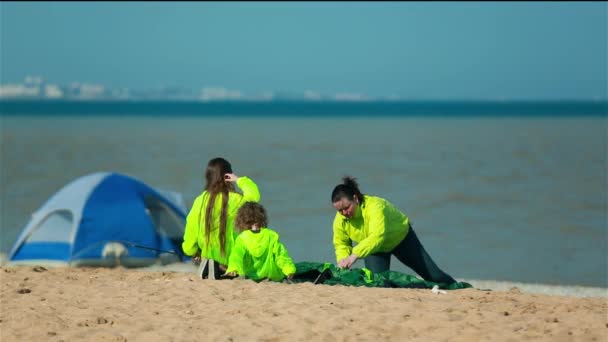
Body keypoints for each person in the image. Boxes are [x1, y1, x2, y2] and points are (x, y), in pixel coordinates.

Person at [331, 176, 457, 285]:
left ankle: (461, 290)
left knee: (434, 276)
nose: (344, 213)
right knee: (378, 284)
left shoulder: (375, 206)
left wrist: (354, 255)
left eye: (347, 208)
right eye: (340, 211)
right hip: (374, 249)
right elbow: (341, 243)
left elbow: (377, 236)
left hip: (401, 239)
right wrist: (343, 260)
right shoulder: (340, 220)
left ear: (356, 199)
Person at [182, 157, 260, 276]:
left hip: (208, 263)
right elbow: (254, 196)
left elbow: (191, 229)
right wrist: (240, 180)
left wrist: (193, 252)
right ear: (228, 177)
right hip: (233, 264)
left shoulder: (200, 200)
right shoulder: (237, 200)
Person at [225, 202, 296, 282]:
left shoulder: (242, 238)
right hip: (272, 275)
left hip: (250, 276)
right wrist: (289, 270)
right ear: (262, 218)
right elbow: (281, 255)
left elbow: (236, 256)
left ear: (242, 220)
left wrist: (233, 269)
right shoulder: (270, 235)